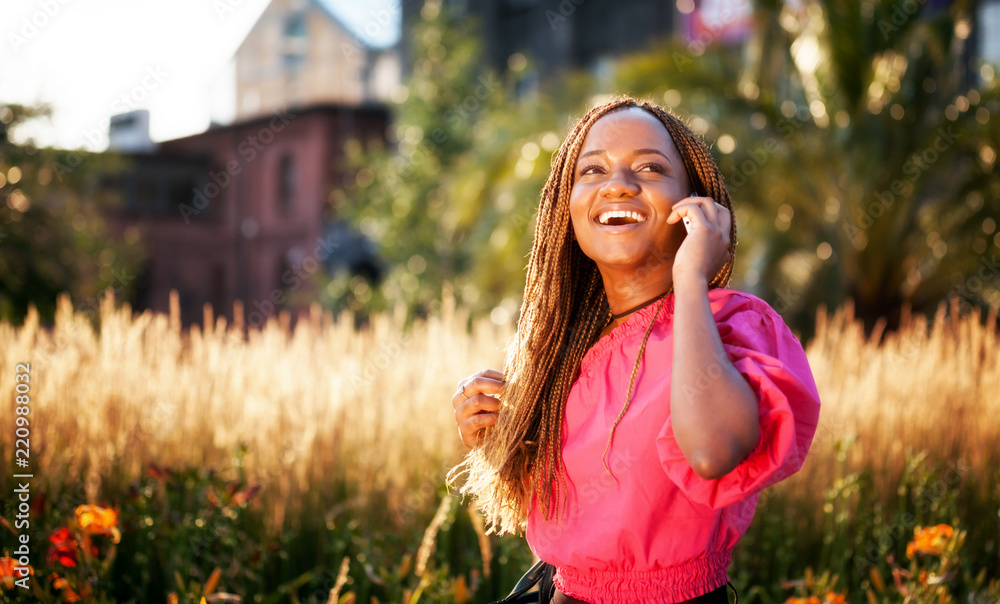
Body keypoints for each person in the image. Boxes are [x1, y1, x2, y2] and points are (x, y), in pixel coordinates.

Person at [450, 96, 821, 603]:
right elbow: (571, 506)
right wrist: (493, 430)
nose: (618, 183)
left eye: (650, 167)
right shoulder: (564, 347)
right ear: (567, 204)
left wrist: (690, 277)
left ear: (693, 204)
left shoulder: (732, 324)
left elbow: (713, 451)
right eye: (593, 169)